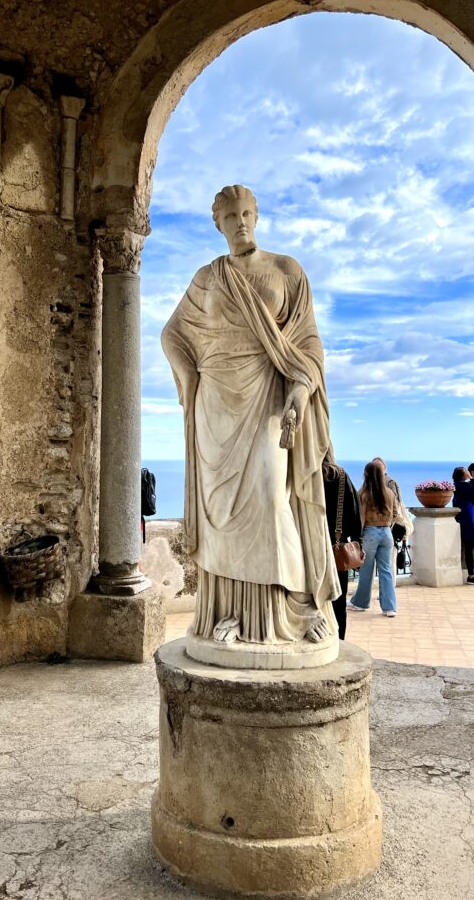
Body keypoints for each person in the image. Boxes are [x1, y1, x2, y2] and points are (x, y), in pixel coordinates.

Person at [161, 185, 339, 647]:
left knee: (270, 494)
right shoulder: (208, 278)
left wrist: (300, 392)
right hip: (215, 403)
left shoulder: (287, 270)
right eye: (229, 217)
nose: (240, 222)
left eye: (246, 213)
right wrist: (191, 379)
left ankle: (294, 610)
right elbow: (173, 334)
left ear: (256, 216)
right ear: (218, 225)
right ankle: (231, 614)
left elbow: (310, 345)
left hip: (270, 399)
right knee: (221, 511)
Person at [322, 448, 363, 639]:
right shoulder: (339, 475)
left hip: (306, 549)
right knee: (338, 600)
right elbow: (354, 512)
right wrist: (357, 540)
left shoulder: (302, 475)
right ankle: (339, 641)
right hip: (335, 547)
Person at [350, 461, 397, 617]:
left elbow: (360, 518)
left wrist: (358, 537)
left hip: (370, 532)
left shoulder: (363, 493)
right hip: (386, 533)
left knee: (366, 570)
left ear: (366, 474)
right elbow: (395, 513)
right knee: (386, 570)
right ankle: (389, 607)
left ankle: (361, 602)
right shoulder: (390, 493)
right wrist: (387, 526)